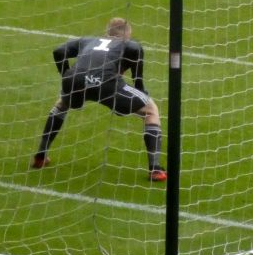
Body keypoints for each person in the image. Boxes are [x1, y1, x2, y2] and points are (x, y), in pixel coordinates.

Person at [31, 17, 166, 182]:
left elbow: (59, 51)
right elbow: (135, 50)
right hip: (106, 83)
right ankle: (155, 169)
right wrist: (139, 88)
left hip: (75, 81)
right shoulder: (128, 44)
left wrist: (66, 77)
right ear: (127, 35)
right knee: (151, 110)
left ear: (107, 33)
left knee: (61, 104)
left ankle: (40, 156)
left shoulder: (88, 40)